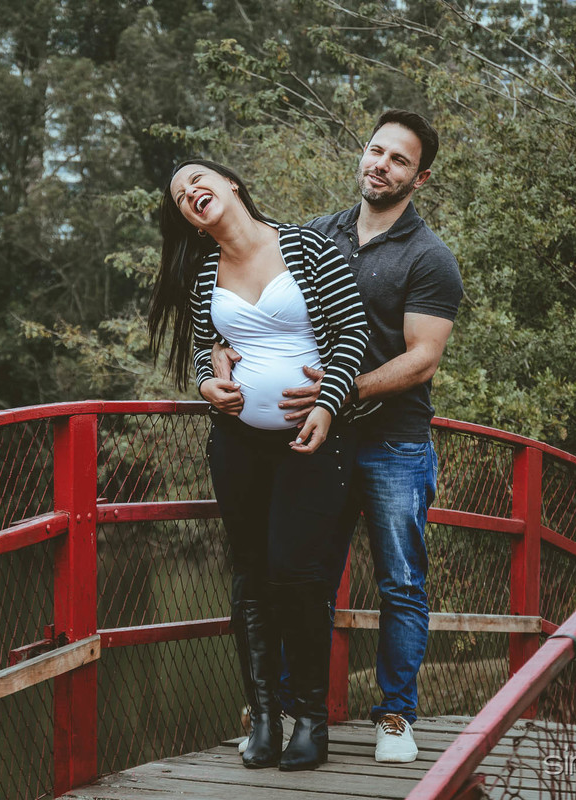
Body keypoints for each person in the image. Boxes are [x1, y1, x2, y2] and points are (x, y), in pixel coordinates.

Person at [214, 110, 463, 764]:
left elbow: (422, 359)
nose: (381, 165)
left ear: (420, 178)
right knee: (302, 578)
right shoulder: (313, 235)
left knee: (400, 580)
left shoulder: (430, 258)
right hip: (315, 441)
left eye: (399, 160)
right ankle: (294, 711)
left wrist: (344, 390)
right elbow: (260, 309)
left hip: (392, 441)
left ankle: (395, 717)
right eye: (377, 150)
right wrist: (223, 358)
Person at [149, 159, 370, 772]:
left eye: (198, 180)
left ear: (231, 184)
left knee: (295, 575)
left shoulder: (307, 245)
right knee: (249, 576)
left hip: (310, 440)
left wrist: (327, 404)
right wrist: (206, 384)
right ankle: (265, 719)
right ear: (190, 220)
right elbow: (205, 350)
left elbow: (353, 334)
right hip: (238, 444)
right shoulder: (203, 273)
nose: (191, 192)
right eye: (180, 195)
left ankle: (311, 722)